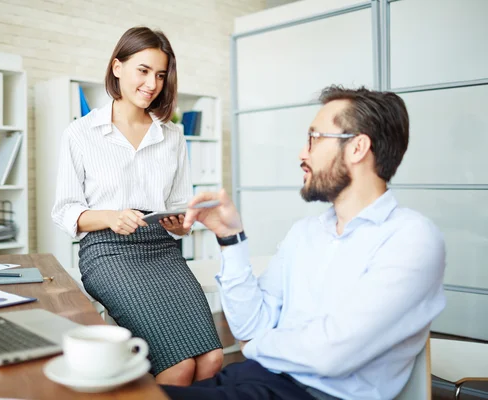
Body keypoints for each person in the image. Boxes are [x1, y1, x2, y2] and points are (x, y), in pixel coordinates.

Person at [162, 86, 446, 400]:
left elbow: (331, 354)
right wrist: (231, 238)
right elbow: (250, 326)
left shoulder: (411, 238)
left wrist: (258, 346)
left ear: (357, 148)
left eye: (314, 138)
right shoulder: (305, 233)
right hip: (254, 376)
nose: (302, 153)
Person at [51, 26, 223, 385]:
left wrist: (181, 222)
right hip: (108, 253)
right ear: (117, 67)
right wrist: (112, 217)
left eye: (160, 75)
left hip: (161, 248)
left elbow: (176, 203)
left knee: (211, 359)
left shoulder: (172, 134)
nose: (152, 84)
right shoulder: (81, 134)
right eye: (143, 71)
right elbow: (65, 210)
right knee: (179, 367)